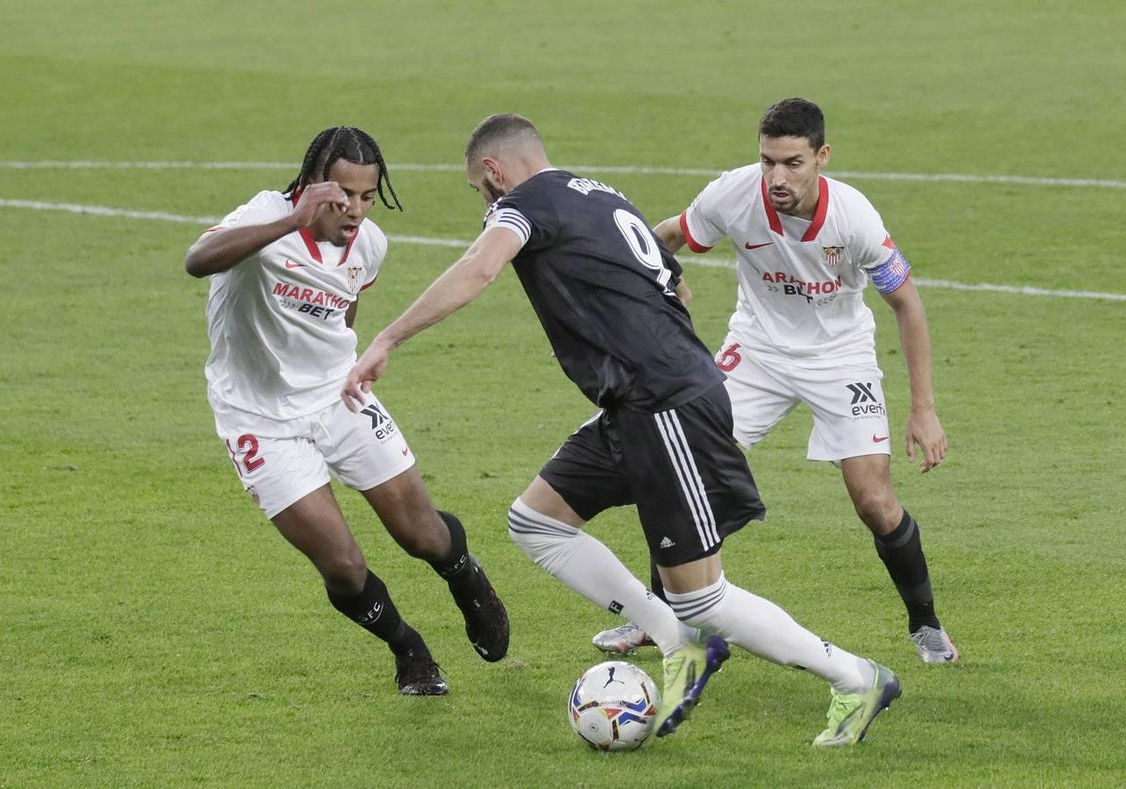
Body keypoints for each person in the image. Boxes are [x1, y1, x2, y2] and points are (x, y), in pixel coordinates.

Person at [342, 113, 901, 746]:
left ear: (494, 172)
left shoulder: (522, 204)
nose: (484, 202)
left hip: (665, 405)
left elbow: (479, 268)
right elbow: (678, 288)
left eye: (480, 188)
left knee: (704, 597)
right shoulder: (599, 194)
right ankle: (674, 639)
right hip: (637, 403)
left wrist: (387, 337)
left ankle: (856, 677)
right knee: (536, 521)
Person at [592, 97, 958, 665]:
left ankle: (926, 624)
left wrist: (925, 408)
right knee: (681, 468)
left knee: (875, 502)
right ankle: (664, 620)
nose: (777, 177)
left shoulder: (854, 218)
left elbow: (907, 304)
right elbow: (662, 237)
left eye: (792, 163)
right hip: (756, 352)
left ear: (822, 157)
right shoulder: (733, 194)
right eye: (768, 162)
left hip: (841, 359)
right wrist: (663, 278)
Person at [184, 126, 509, 697]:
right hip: (258, 420)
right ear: (312, 185)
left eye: (367, 196)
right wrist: (292, 221)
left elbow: (343, 313)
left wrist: (344, 372)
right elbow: (198, 259)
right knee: (343, 566)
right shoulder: (265, 216)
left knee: (422, 534)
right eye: (342, 196)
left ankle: (465, 578)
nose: (355, 210)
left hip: (340, 396)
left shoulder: (370, 243)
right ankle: (409, 649)